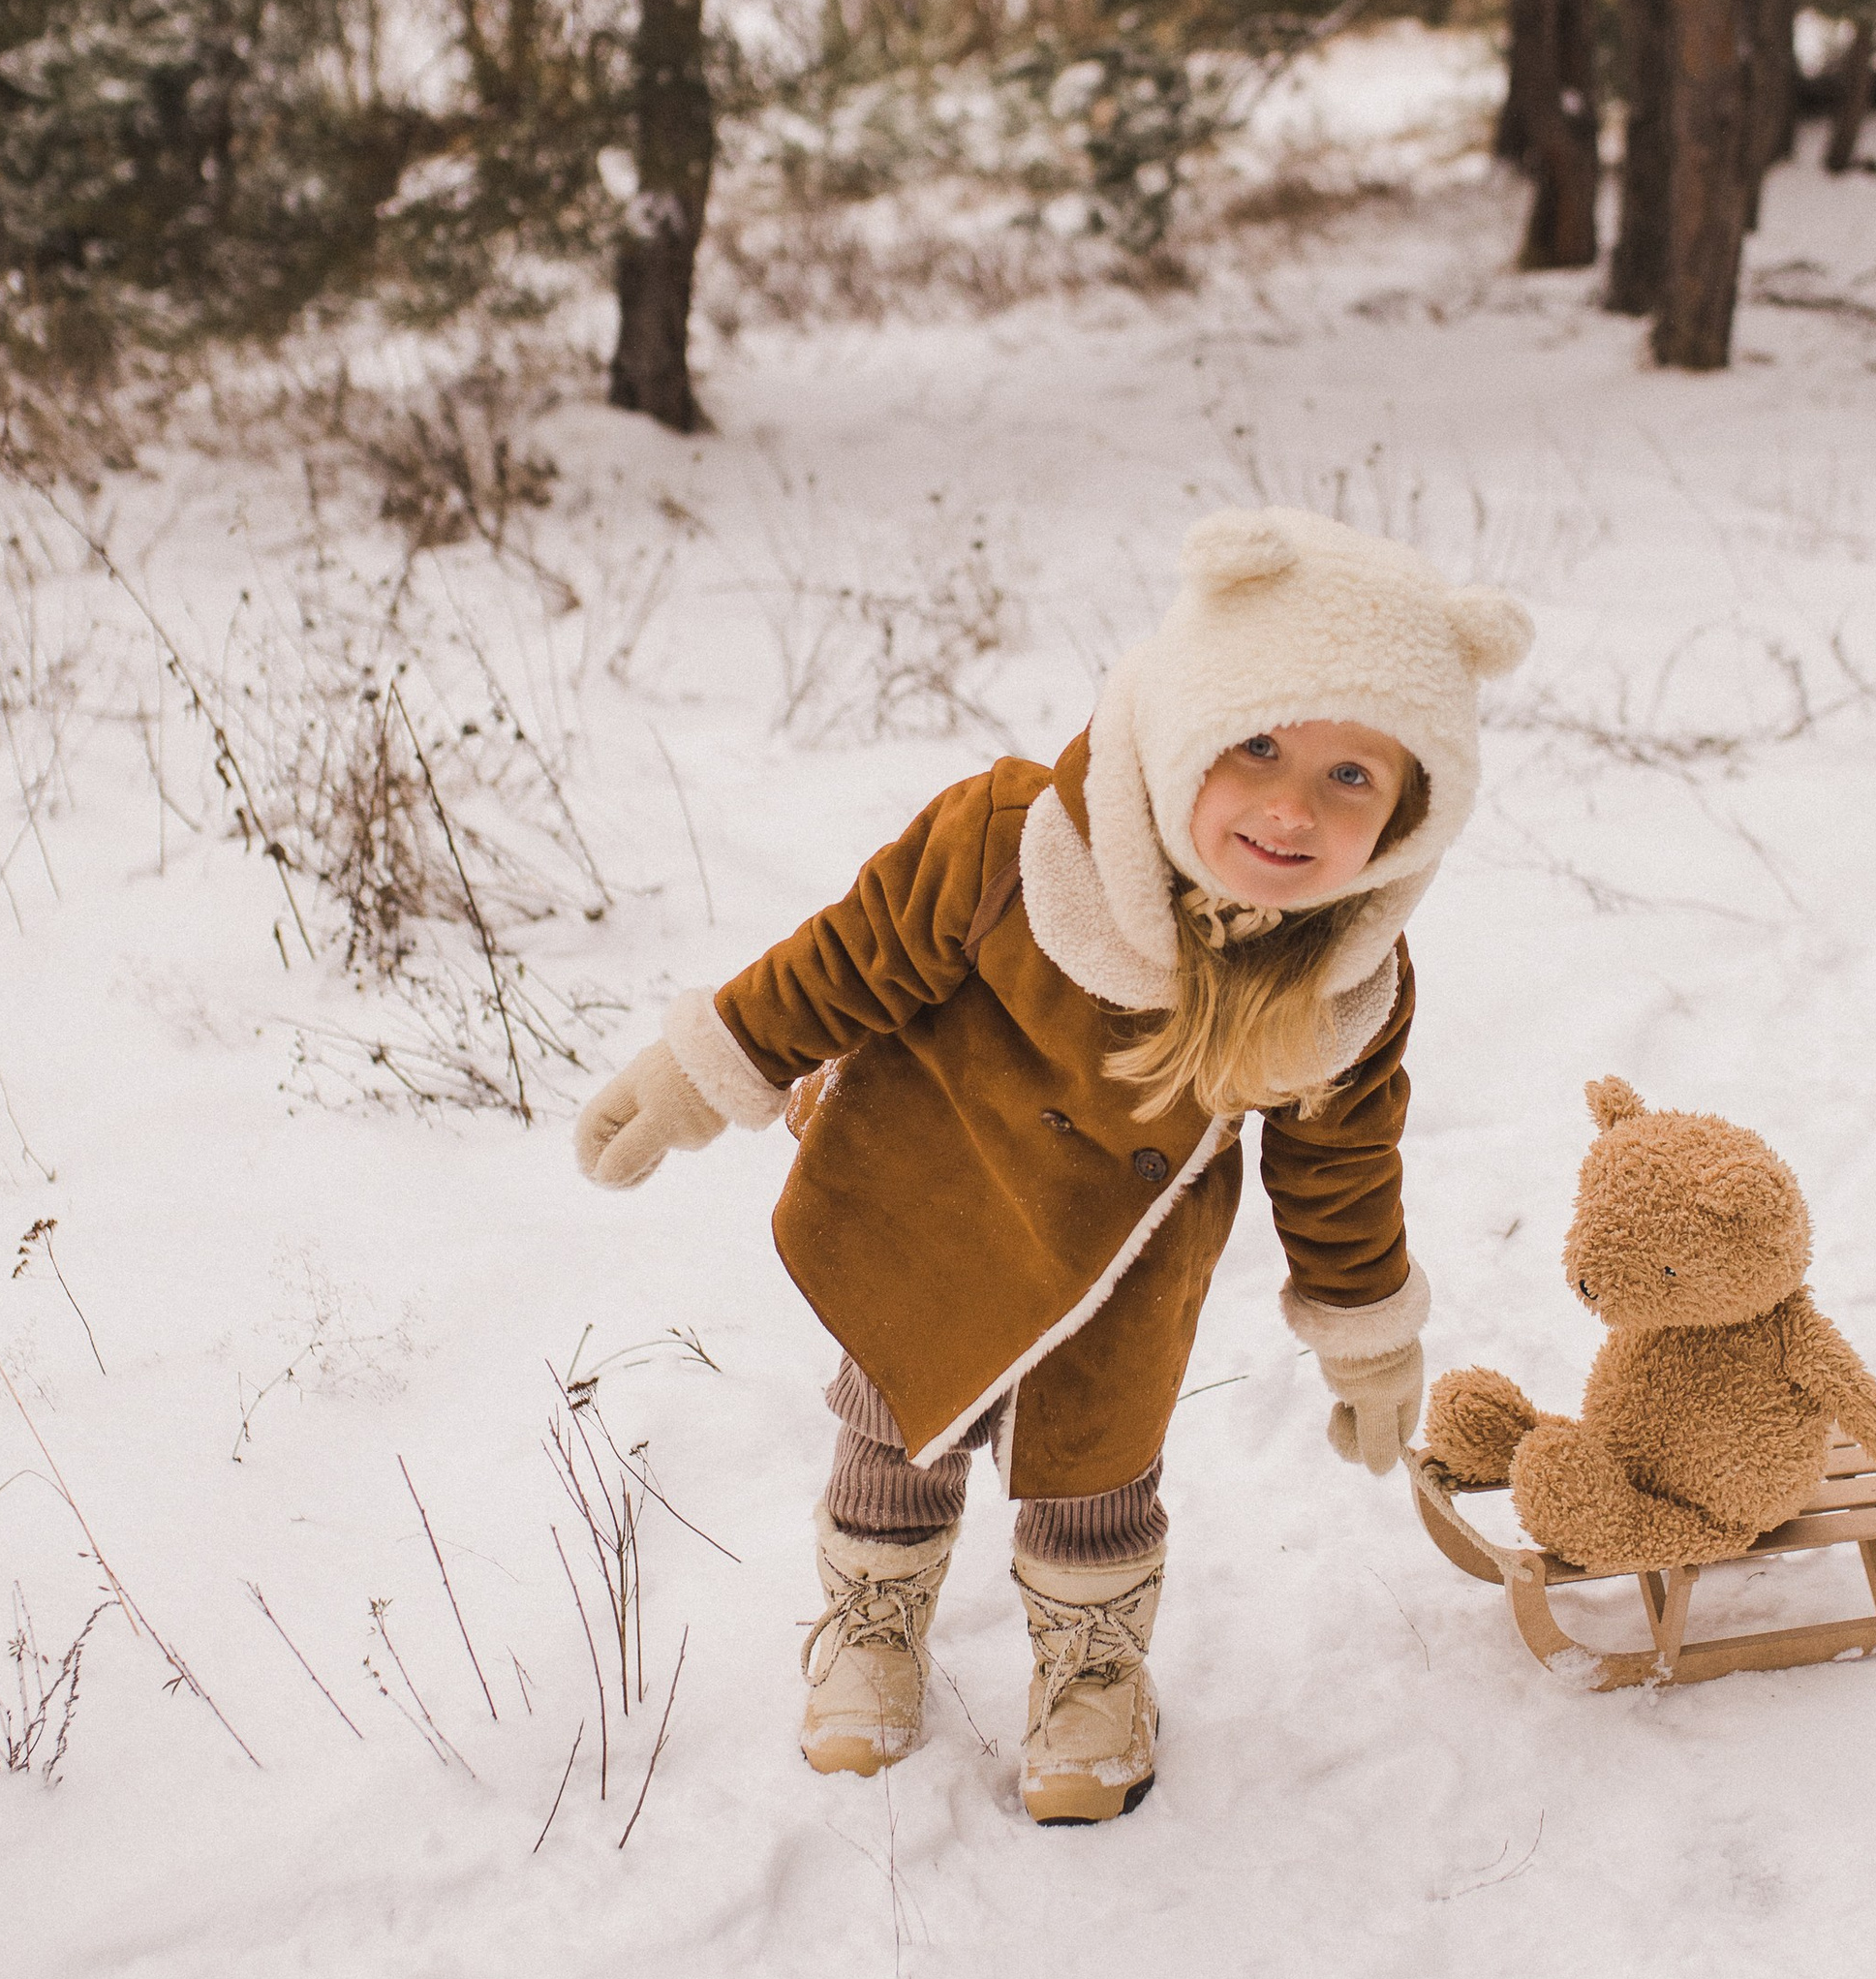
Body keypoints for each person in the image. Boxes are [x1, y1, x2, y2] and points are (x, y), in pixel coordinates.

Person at [574, 507, 1529, 1824]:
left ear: (1412, 818)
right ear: (1192, 721)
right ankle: (872, 1621)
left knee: (1102, 1458)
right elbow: (846, 961)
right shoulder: (1017, 843)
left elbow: (1343, 1166)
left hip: (1127, 1253)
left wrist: (1365, 1330)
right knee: (898, 1414)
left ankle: (1090, 1672)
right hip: (934, 1179)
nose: (1290, 806)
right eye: (1256, 744)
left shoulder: (1347, 983)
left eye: (1352, 779)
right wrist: (705, 1068)